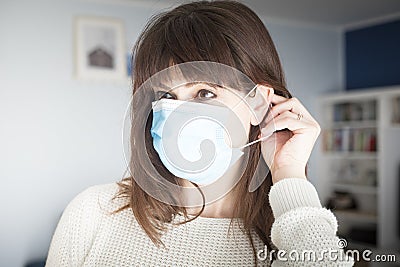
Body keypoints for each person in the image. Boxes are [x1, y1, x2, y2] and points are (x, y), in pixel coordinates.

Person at [46, 1, 354, 266]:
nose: (178, 116)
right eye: (165, 96)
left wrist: (289, 172)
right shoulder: (94, 212)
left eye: (205, 93)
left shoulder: (291, 236)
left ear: (258, 104)